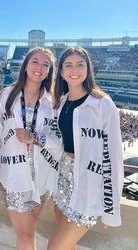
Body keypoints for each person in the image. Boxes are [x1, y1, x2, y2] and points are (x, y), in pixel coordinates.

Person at [48, 46, 124, 250]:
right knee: (68, 246)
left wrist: (111, 208)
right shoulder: (61, 103)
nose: (75, 70)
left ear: (88, 69)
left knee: (54, 247)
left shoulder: (102, 105)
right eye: (69, 65)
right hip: (62, 181)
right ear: (62, 72)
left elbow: (114, 158)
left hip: (89, 188)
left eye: (80, 65)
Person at [0, 47, 62, 250]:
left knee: (27, 232)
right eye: (35, 62)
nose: (39, 68)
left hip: (42, 177)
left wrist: (36, 138)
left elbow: (59, 142)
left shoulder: (53, 101)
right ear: (26, 65)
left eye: (45, 64)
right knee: (27, 235)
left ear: (50, 71)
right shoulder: (7, 94)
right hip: (13, 175)